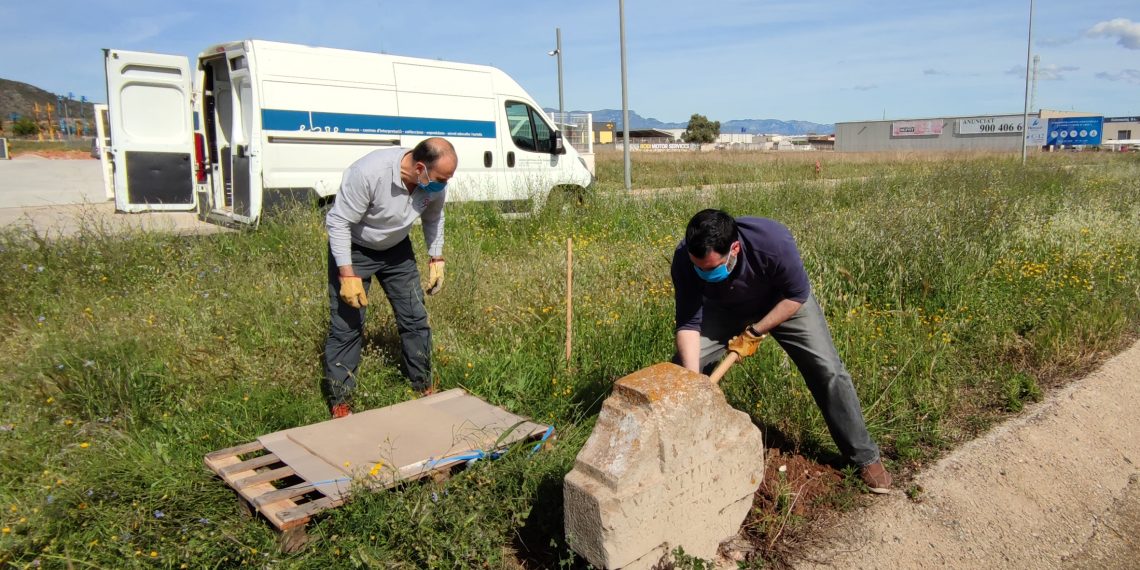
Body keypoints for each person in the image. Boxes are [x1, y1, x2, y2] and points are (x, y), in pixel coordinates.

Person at [671, 209, 892, 493]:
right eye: (699, 268)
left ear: (734, 248)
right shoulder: (684, 258)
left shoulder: (772, 242)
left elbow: (796, 296)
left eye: (712, 268)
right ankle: (690, 442)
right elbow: (689, 323)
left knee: (828, 370)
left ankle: (864, 456)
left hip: (782, 303)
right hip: (725, 308)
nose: (704, 273)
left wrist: (755, 331)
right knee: (682, 369)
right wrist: (693, 382)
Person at [322, 137, 457, 418]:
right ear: (420, 168)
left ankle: (422, 385)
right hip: (356, 249)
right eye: (442, 179)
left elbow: (434, 217)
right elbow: (338, 222)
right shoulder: (368, 173)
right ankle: (341, 401)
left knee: (415, 318)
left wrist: (436, 256)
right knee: (348, 325)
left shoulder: (432, 184)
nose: (444, 185)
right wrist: (346, 272)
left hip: (397, 250)